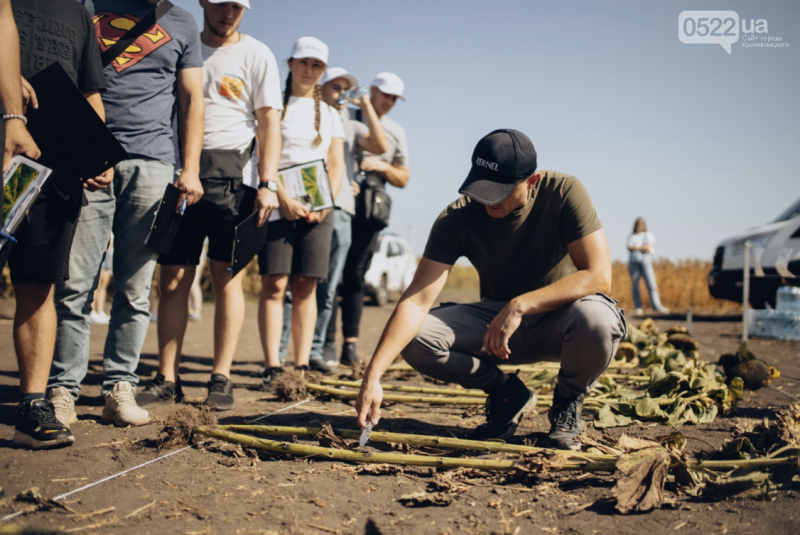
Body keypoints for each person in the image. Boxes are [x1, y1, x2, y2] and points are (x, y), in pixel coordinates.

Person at [354, 130, 627, 451]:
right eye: (481, 188)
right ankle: (506, 392)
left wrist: (521, 304)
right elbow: (416, 301)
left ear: (533, 180)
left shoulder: (565, 191)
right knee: (415, 338)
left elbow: (598, 276)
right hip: (497, 330)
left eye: (499, 191)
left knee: (598, 318)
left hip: (561, 322)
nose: (487, 200)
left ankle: (568, 399)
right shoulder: (457, 217)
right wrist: (373, 375)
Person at [47, 0, 205, 429]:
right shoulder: (87, 8)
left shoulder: (181, 21)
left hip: (153, 165)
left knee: (135, 290)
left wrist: (189, 168)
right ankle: (62, 390)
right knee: (75, 283)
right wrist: (80, 150)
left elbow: (191, 97)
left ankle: (120, 388)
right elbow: (66, 76)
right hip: (90, 161)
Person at [136, 0, 282, 411]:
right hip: (180, 172)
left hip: (233, 179)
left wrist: (267, 183)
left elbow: (269, 121)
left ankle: (221, 376)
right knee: (172, 280)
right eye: (220, 4)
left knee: (225, 278)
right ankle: (167, 377)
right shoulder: (183, 41)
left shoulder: (257, 53)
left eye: (236, 6)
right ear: (203, 3)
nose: (228, 13)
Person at [6, 0, 109, 448]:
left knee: (39, 281)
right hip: (8, 146)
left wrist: (95, 150)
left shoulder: (79, 10)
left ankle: (32, 404)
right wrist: (9, 86)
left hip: (54, 164)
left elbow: (89, 91)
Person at [275, 67, 388, 372]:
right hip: (298, 206)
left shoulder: (348, 124)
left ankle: (313, 351)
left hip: (339, 210)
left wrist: (364, 104)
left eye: (345, 89)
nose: (341, 94)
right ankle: (278, 353)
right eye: (335, 87)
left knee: (321, 286)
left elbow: (381, 146)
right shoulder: (295, 114)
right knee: (288, 284)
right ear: (320, 87)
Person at [258, 37, 344, 389]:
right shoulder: (272, 107)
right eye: (303, 62)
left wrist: (325, 203)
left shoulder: (334, 116)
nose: (309, 70)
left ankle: (302, 363)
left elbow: (336, 165)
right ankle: (272, 365)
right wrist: (282, 198)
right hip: (278, 207)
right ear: (290, 63)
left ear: (323, 71)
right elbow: (263, 157)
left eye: (317, 65)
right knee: (275, 283)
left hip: (318, 212)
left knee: (306, 286)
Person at [339, 72, 409, 366]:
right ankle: (320, 347)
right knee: (330, 275)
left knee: (355, 274)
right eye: (385, 95)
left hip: (370, 209)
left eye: (395, 98)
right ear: (372, 91)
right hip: (340, 200)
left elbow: (403, 178)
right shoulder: (345, 115)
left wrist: (381, 164)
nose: (389, 102)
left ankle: (349, 344)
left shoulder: (396, 132)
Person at [627, 217, 669, 316]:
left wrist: (636, 247)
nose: (640, 225)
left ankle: (656, 306)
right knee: (635, 285)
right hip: (634, 262)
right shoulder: (631, 235)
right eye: (638, 224)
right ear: (635, 225)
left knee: (651, 284)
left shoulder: (648, 235)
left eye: (642, 224)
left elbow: (648, 246)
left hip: (645, 261)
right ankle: (638, 307)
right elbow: (629, 247)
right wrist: (642, 247)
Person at [91, 236, 113, 325]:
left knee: (104, 283)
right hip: (101, 248)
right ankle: (92, 311)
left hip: (109, 252)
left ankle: (100, 310)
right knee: (97, 283)